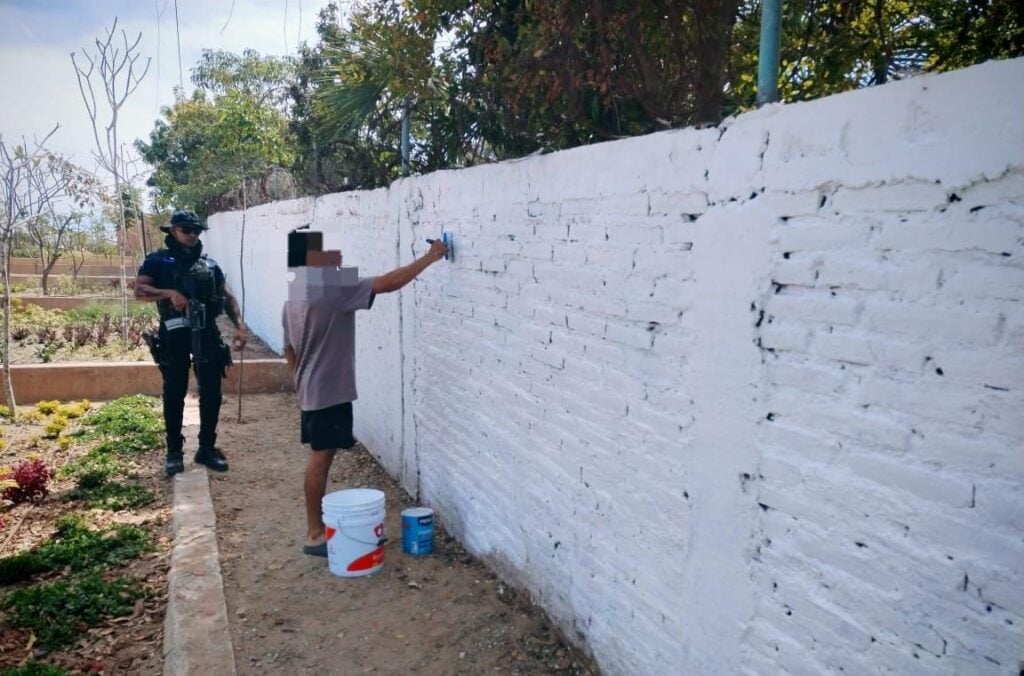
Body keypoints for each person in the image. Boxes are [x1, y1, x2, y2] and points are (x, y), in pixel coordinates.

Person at [282, 236, 447, 557]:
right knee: (321, 455)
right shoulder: (329, 290)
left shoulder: (294, 295)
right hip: (327, 392)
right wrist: (431, 256)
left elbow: (288, 348)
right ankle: (315, 534)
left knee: (321, 453)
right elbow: (387, 283)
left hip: (312, 389)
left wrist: (302, 380)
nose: (334, 258)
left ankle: (317, 530)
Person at [134, 209, 248, 476]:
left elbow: (227, 297)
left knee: (212, 392)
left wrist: (240, 326)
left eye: (197, 231)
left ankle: (206, 448)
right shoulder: (158, 261)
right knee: (174, 391)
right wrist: (169, 293)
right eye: (186, 230)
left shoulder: (209, 265)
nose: (192, 235)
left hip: (206, 332)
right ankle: (174, 451)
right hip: (173, 333)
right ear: (173, 231)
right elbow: (139, 290)